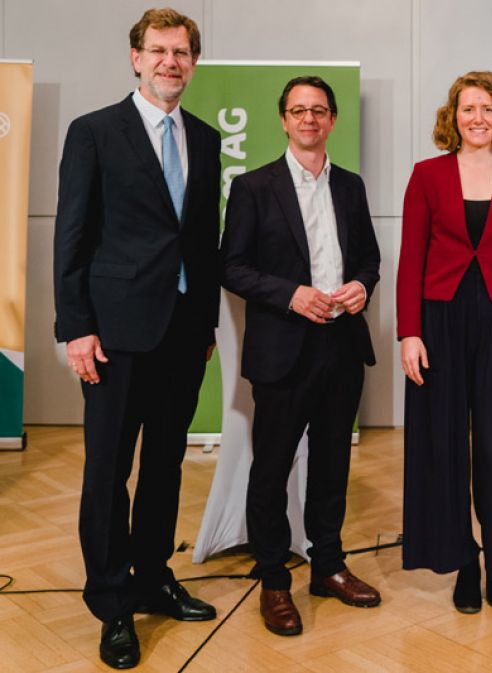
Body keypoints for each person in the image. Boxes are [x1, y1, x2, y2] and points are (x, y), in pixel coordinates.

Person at [52, 8, 220, 669]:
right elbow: (71, 237)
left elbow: (201, 242)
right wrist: (76, 327)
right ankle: (111, 601)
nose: (170, 61)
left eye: (181, 52)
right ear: (135, 57)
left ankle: (151, 576)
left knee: (165, 466)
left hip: (182, 335)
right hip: (114, 335)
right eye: (158, 51)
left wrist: (205, 322)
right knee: (108, 471)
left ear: (193, 62)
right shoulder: (94, 132)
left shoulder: (204, 139)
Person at [220, 76, 381, 636]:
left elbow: (369, 257)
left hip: (341, 344)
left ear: (332, 120)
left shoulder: (352, 187)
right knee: (271, 467)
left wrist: (362, 284)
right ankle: (273, 579)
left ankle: (328, 566)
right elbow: (231, 266)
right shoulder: (253, 187)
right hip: (283, 347)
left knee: (333, 461)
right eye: (298, 110)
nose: (309, 119)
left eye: (319, 110)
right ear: (283, 120)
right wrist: (291, 294)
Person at [397, 71, 492, 613]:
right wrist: (408, 331)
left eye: (487, 108)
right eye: (468, 109)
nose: (477, 118)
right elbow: (410, 258)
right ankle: (461, 561)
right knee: (441, 443)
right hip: (438, 320)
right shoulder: (427, 176)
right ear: (453, 117)